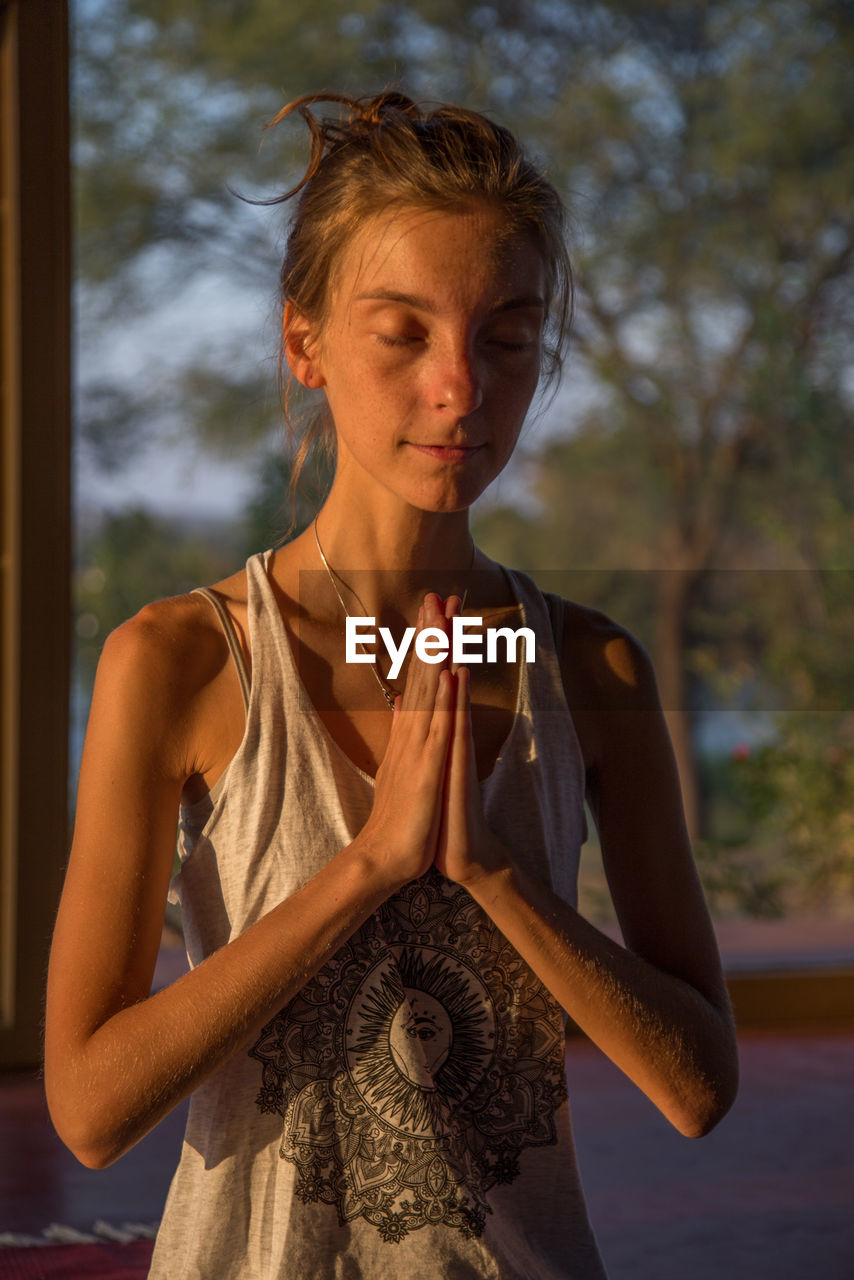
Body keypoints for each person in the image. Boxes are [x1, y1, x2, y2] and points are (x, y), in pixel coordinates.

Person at [45, 91, 738, 1279]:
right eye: (402, 332)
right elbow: (89, 1107)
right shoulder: (180, 660)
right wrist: (363, 869)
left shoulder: (587, 668)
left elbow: (696, 1086)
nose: (460, 387)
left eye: (506, 338)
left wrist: (495, 874)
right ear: (302, 340)